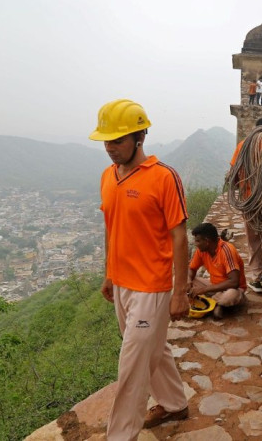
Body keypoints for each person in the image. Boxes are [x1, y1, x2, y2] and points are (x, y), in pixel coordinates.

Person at [89, 99, 190, 440]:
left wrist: (180, 292)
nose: (109, 148)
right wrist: (109, 273)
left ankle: (120, 435)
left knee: (132, 366)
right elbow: (111, 226)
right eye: (106, 140)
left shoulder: (163, 178)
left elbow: (179, 237)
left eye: (117, 140)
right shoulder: (108, 176)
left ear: (139, 136)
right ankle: (176, 403)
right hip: (122, 284)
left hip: (152, 286)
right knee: (154, 349)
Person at [229, 118, 262, 301]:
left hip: (249, 202)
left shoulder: (243, 145)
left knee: (253, 241)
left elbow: (233, 177)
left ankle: (257, 277)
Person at [188, 222, 247, 319]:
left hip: (232, 289)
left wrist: (203, 290)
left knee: (229, 297)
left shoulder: (227, 250)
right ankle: (217, 304)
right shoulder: (201, 251)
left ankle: (218, 303)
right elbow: (191, 269)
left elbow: (234, 282)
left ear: (207, 241)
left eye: (198, 241)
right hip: (214, 286)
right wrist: (188, 281)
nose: (196, 243)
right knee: (181, 280)